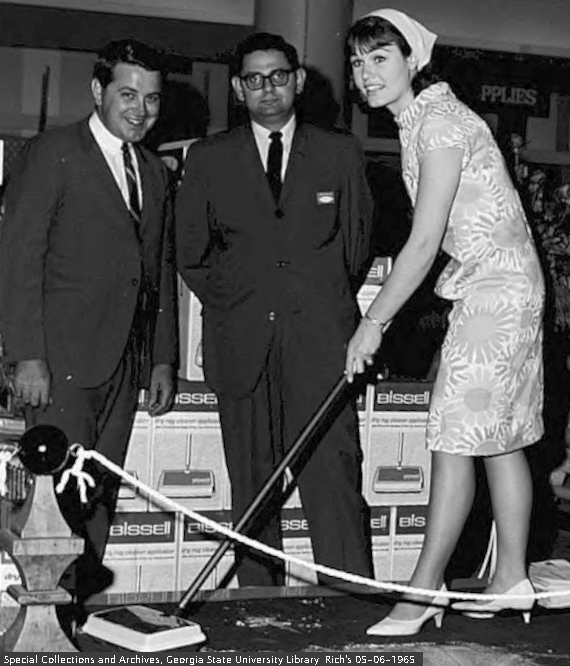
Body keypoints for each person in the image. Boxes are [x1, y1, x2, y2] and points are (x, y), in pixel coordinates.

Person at [345, 9, 545, 635]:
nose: (365, 73)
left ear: (413, 60)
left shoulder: (437, 124)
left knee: (453, 436)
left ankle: (424, 590)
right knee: (499, 437)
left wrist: (374, 321)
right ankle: (510, 578)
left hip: (497, 291)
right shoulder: (426, 119)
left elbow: (425, 241)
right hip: (501, 285)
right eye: (358, 61)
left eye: (380, 58)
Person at [175, 32, 375, 587]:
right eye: (255, 79)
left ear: (299, 81)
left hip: (320, 344)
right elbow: (191, 254)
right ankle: (257, 609)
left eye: (279, 76)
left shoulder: (339, 153)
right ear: (239, 89)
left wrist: (308, 301)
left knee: (333, 480)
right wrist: (242, 301)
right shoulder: (209, 158)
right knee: (253, 488)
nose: (268, 88)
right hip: (241, 344)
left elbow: (356, 247)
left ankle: (350, 602)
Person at [0, 39, 178, 607]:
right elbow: (18, 256)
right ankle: (42, 620)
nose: (140, 110)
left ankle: (74, 612)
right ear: (98, 91)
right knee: (53, 502)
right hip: (60, 363)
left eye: (151, 99)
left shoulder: (153, 171)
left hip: (124, 363)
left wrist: (162, 357)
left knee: (97, 496)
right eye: (128, 94)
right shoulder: (53, 152)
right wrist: (28, 354)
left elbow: (157, 271)